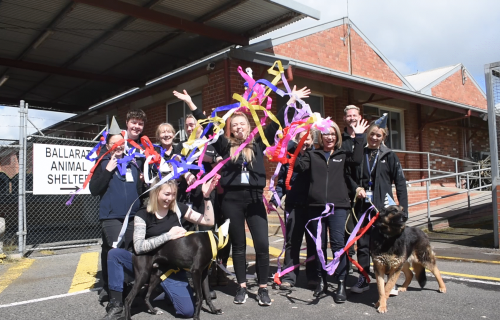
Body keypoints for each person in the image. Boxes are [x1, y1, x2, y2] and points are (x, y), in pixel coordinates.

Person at [173, 86, 310, 306]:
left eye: (242, 124)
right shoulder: (225, 145)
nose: (238, 128)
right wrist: (191, 103)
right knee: (238, 245)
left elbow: (277, 122)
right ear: (232, 129)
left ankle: (263, 288)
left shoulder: (259, 141)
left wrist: (291, 100)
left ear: (248, 126)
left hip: (255, 199)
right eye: (234, 125)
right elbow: (207, 126)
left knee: (262, 245)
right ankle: (242, 287)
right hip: (232, 200)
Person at [101, 176, 219, 320]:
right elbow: (138, 247)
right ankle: (117, 304)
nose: (170, 198)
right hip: (146, 263)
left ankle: (161, 289)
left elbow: (209, 221)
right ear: (156, 192)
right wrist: (168, 236)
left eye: (173, 194)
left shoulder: (178, 209)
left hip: (171, 269)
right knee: (114, 254)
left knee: (187, 311)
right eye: (166, 194)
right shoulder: (142, 214)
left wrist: (206, 197)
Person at [294, 119, 368, 303]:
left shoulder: (343, 154)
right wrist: (296, 146)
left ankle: (341, 282)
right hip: (316, 207)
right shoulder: (313, 155)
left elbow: (357, 160)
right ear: (321, 136)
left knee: (338, 246)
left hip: (339, 206)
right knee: (319, 246)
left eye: (333, 133)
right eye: (326, 133)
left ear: (337, 136)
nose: (330, 137)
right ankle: (321, 281)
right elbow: (298, 167)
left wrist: (359, 136)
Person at [347, 114, 408, 295]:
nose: (374, 138)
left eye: (378, 135)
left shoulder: (389, 156)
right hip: (363, 206)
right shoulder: (359, 153)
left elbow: (400, 183)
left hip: (384, 209)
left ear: (384, 137)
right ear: (367, 134)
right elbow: (348, 175)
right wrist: (357, 188)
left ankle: (391, 281)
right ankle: (364, 278)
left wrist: (403, 209)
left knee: (387, 244)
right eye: (372, 134)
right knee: (364, 244)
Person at [89, 117, 145, 304]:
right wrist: (108, 170)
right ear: (107, 145)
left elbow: (138, 191)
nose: (119, 146)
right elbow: (94, 189)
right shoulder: (102, 162)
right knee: (114, 250)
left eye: (121, 142)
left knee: (129, 251)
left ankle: (127, 289)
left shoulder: (132, 164)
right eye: (114, 143)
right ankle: (115, 296)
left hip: (131, 216)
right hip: (111, 217)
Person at [272, 131, 316, 289]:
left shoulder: (316, 156)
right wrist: (275, 199)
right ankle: (289, 276)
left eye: (308, 139)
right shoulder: (289, 158)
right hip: (293, 205)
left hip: (313, 206)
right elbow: (282, 182)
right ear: (296, 140)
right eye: (300, 139)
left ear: (313, 140)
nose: (304, 142)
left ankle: (313, 276)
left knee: (313, 242)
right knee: (292, 242)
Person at [341, 105, 364, 274]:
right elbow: (345, 167)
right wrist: (355, 188)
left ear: (359, 116)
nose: (352, 118)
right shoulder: (340, 140)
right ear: (345, 119)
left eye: (354, 115)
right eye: (349, 116)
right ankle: (348, 259)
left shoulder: (368, 136)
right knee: (347, 228)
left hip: (366, 188)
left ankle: (366, 263)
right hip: (347, 189)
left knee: (365, 227)